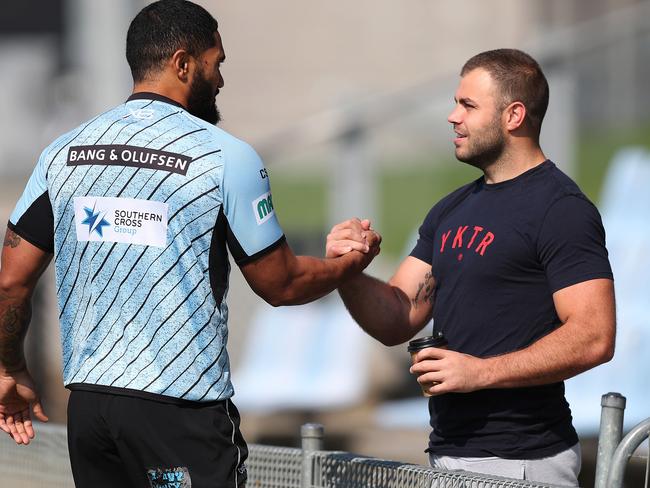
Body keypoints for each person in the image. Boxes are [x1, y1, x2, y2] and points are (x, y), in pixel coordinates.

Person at [0, 1, 380, 487]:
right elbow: (281, 284)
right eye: (215, 63)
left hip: (91, 411)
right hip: (180, 409)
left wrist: (11, 367)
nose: (220, 79)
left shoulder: (63, 152)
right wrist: (349, 265)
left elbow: (12, 281)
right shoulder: (225, 157)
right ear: (183, 63)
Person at [326, 49, 615, 486]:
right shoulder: (452, 209)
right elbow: (396, 316)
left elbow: (594, 335)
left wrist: (480, 373)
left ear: (513, 115)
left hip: (523, 462)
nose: (452, 117)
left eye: (468, 105)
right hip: (448, 453)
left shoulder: (561, 209)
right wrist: (347, 271)